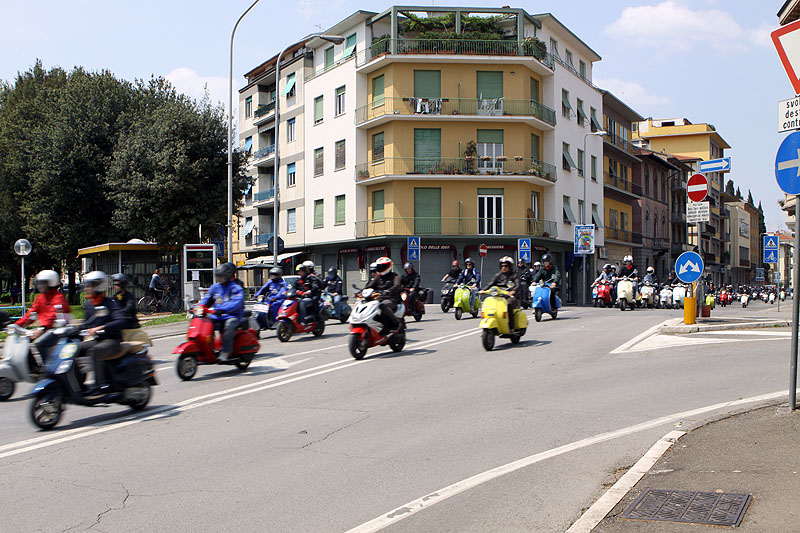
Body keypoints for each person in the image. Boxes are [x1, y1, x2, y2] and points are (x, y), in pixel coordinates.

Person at [81, 271, 127, 397]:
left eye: (90, 285)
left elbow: (121, 321)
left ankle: (100, 385)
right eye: (87, 285)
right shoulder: (89, 305)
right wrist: (68, 330)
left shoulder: (110, 303)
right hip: (98, 339)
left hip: (112, 340)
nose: (87, 288)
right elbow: (85, 323)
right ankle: (79, 384)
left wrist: (102, 327)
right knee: (76, 349)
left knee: (95, 351)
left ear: (99, 286)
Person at [15, 270, 71, 362]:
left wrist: (42, 329)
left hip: (57, 330)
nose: (39, 286)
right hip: (45, 329)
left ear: (50, 283)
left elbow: (54, 315)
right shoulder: (40, 298)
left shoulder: (58, 297)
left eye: (42, 283)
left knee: (39, 343)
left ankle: (48, 368)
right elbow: (30, 313)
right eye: (39, 283)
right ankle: (33, 367)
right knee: (23, 341)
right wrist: (16, 325)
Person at [199, 262, 244, 362]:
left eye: (221, 276)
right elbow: (206, 299)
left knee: (229, 325)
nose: (219, 278)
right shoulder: (215, 287)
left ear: (227, 276)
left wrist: (223, 309)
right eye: (218, 276)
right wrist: (199, 307)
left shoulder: (235, 288)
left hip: (232, 315)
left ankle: (226, 351)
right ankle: (207, 347)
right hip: (217, 315)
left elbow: (236, 302)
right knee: (203, 322)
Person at [364, 257, 402, 334]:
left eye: (382, 267)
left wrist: (390, 290)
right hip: (379, 298)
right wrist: (363, 290)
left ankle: (395, 323)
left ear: (388, 266)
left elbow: (397, 285)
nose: (380, 269)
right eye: (379, 267)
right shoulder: (378, 277)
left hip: (392, 299)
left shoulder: (395, 276)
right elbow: (371, 285)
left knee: (382, 306)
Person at [484, 256, 519, 332]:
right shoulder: (498, 275)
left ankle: (511, 327)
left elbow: (517, 285)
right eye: (502, 266)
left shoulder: (514, 275)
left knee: (508, 305)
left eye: (506, 266)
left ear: (510, 266)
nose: (503, 267)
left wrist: (513, 291)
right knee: (490, 304)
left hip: (510, 296)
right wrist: (483, 290)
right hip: (499, 295)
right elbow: (491, 283)